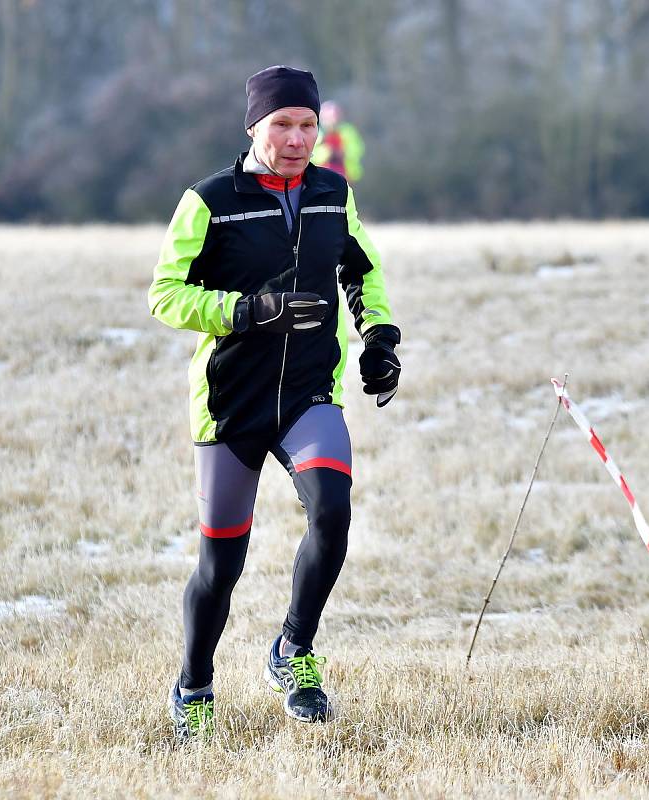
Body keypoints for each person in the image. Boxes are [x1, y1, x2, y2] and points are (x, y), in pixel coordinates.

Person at [148, 65, 401, 740]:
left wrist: (378, 337)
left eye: (307, 125)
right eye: (282, 125)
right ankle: (195, 682)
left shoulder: (330, 192)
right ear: (253, 127)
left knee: (333, 514)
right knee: (220, 564)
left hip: (309, 394)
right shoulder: (209, 200)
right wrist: (247, 311)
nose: (296, 139)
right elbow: (165, 294)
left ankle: (294, 651)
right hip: (231, 402)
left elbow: (362, 270)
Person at [312, 100, 365, 183]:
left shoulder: (348, 131)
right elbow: (311, 155)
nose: (332, 120)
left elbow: (357, 149)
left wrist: (343, 153)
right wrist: (328, 152)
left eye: (334, 116)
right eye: (329, 117)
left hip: (346, 176)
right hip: (322, 178)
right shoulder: (316, 134)